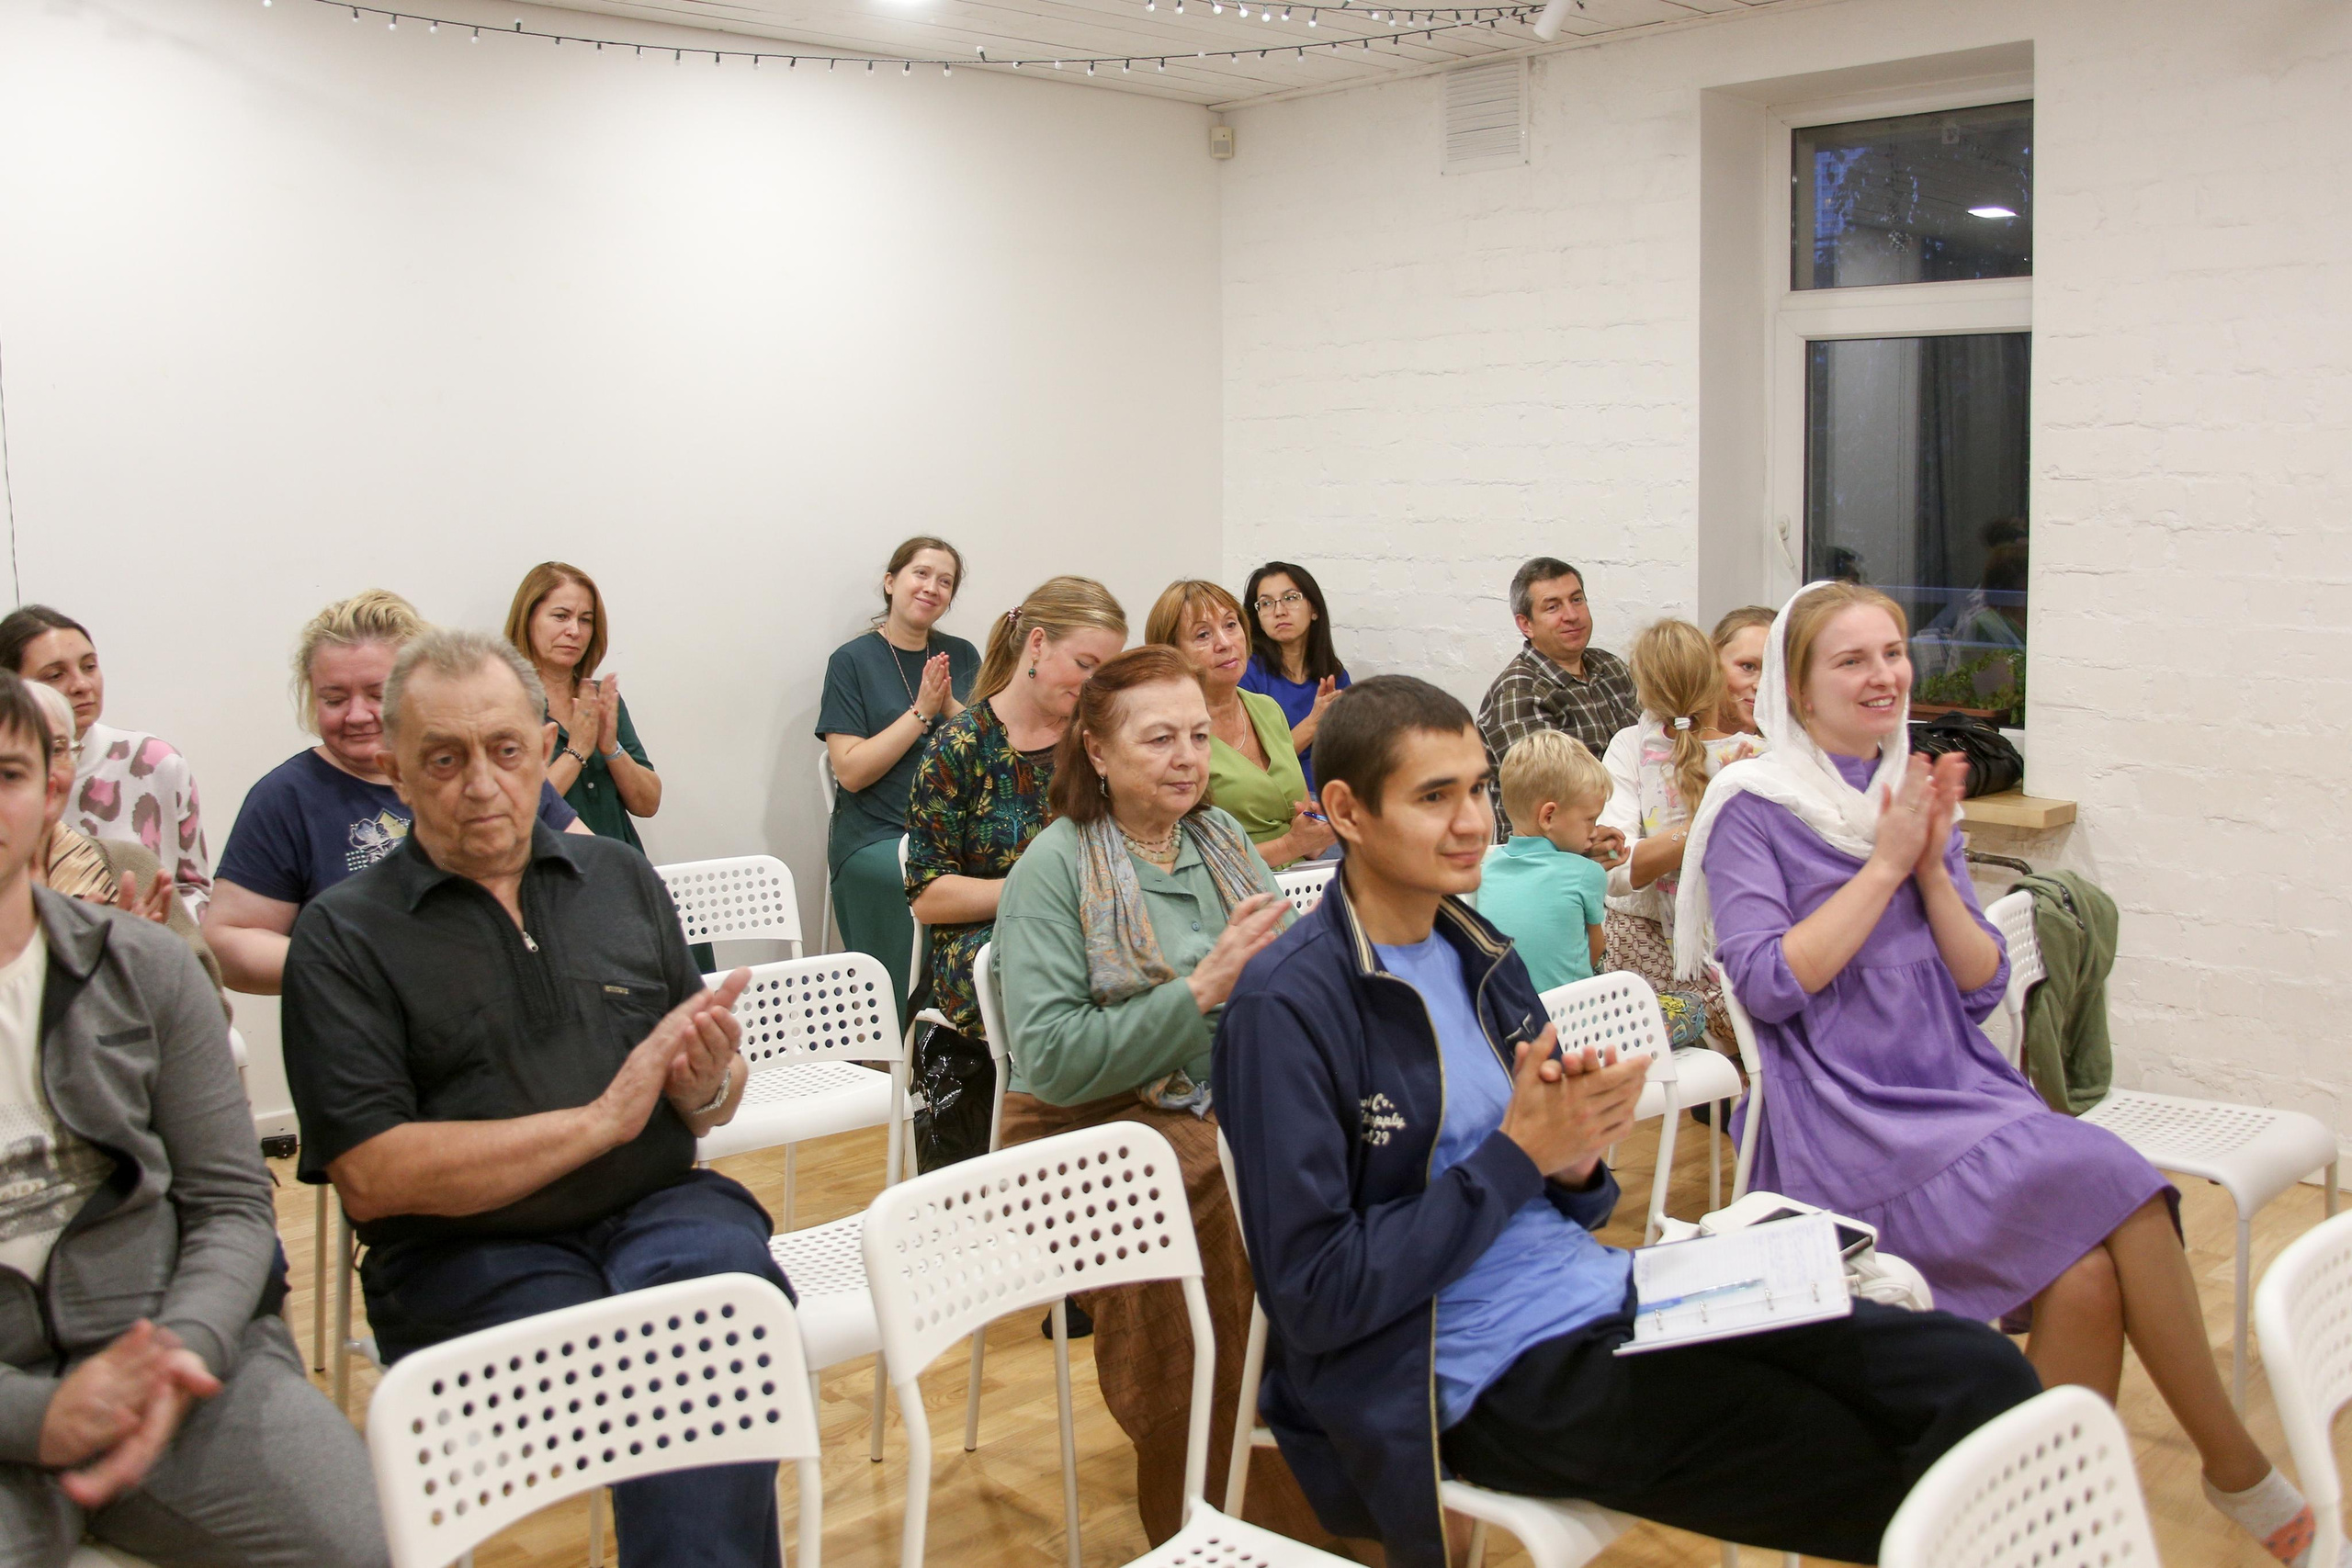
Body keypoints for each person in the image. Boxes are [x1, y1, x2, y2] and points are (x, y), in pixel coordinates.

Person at [1211, 674, 2041, 1568]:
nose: (1471, 822)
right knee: (1904, 1468)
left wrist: (1571, 1162)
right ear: (1345, 810)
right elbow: (1318, 1297)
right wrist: (1519, 1154)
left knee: (1981, 1373)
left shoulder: (1474, 949)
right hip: (1462, 1373)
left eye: (1476, 790)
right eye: (1432, 796)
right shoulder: (1287, 1006)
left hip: (1607, 1295)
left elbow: (1562, 1197)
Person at [1681, 582, 2337, 1567]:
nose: (1884, 676)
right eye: (1851, 660)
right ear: (1796, 688)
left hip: (1956, 1093)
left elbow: (1981, 987)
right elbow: (1768, 986)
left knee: (2081, 1282)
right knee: (2113, 1177)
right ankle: (2229, 1466)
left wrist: (1935, 872)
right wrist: (1882, 867)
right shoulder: (1752, 808)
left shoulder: (1906, 790)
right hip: (1846, 1123)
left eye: (1893, 652)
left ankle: (2042, 1529)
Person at [281, 629, 788, 1568]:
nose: (481, 784)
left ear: (543, 748)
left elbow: (706, 1097)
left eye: (506, 751)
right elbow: (373, 1176)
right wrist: (598, 1122)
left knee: (726, 1318)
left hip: (659, 1207)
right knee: (663, 1374)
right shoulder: (342, 936)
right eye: (445, 758)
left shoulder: (620, 878)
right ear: (395, 770)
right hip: (468, 1250)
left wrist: (708, 1080)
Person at [0, 671, 389, 1568]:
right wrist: (39, 1416)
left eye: (8, 774)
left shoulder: (146, 968)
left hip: (176, 1356)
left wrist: (182, 1351)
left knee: (364, 1546)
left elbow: (231, 1205)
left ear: (53, 790)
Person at [992, 646, 1321, 1548]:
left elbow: (1289, 975)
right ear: (1095, 751)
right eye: (1157, 739)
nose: (1186, 757)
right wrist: (1201, 992)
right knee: (1202, 1183)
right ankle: (1203, 1513)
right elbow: (1053, 1063)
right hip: (1079, 1125)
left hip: (1212, 1099)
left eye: (1196, 736)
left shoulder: (1218, 841)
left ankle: (1332, 1448)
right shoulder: (1053, 871)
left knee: (1356, 1151)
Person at [204, 590, 586, 995]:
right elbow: (227, 942)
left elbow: (591, 879)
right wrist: (363, 968)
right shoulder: (286, 797)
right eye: (334, 699)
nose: (356, 715)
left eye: (377, 695)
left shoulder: (490, 775)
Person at [903, 576, 1126, 1049]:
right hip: (987, 940)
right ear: (1038, 645)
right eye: (1085, 664)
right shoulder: (961, 747)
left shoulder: (1095, 743)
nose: (1094, 685)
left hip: (1089, 920)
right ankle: (1060, 1111)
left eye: (1105, 672)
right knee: (1069, 974)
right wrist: (1036, 891)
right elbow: (928, 897)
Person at [819, 537, 980, 1004]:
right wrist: (921, 714)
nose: (932, 587)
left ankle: (968, 1030)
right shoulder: (851, 662)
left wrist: (949, 704)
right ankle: (896, 1033)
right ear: (891, 583)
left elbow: (991, 749)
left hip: (953, 831)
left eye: (945, 581)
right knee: (922, 882)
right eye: (921, 574)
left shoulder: (962, 654)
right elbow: (849, 772)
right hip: (877, 834)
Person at [1596, 618, 1762, 1051]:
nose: (1759, 683)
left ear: (1642, 689)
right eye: (1748, 667)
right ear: (1716, 676)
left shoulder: (1758, 756)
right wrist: (1702, 823)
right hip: (1711, 957)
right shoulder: (1755, 758)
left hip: (1692, 967)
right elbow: (1615, 868)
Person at [0, 606, 213, 919]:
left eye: (89, 667)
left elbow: (195, 890)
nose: (82, 685)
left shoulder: (156, 762)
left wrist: (144, 937)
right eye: (56, 675)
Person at [24, 682, 226, 1011]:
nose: (47, 772)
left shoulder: (129, 865)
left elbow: (211, 1010)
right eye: (25, 752)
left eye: (60, 749)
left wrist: (143, 959)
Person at [1147, 581, 1334, 870]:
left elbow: (1299, 829)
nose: (1225, 643)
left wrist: (1314, 833)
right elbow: (1185, 861)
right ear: (1171, 652)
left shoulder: (1266, 708)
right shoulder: (1166, 733)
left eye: (1231, 625)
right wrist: (1290, 845)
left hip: (1298, 884)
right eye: (1203, 634)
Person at [1475, 558, 1640, 840]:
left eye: (1577, 600)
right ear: (1526, 624)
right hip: (1555, 861)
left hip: (1624, 836)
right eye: (1553, 607)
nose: (1571, 615)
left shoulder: (1610, 667)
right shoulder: (1518, 694)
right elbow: (1550, 805)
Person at [505, 561, 665, 851]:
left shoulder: (600, 697)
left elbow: (648, 803)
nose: (574, 631)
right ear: (527, 619)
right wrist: (577, 750)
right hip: (552, 880)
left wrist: (611, 749)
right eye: (560, 616)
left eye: (585, 619)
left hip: (622, 873)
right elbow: (519, 815)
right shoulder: (504, 704)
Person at [1477, 732, 1610, 993]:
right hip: (1574, 1020)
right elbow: (1596, 953)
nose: (1595, 832)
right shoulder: (1588, 873)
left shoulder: (1487, 870)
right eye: (1590, 819)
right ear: (1548, 816)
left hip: (1507, 1019)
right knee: (1687, 1008)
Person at [1238, 562, 1351, 796]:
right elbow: (1254, 765)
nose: (1279, 611)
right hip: (1277, 797)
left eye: (1290, 598)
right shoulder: (1247, 674)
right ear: (1256, 617)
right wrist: (1313, 723)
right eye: (1266, 603)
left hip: (1332, 793)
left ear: (1314, 609)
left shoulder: (1334, 674)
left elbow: (1348, 751)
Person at [1710, 605, 1774, 736]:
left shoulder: (1791, 752)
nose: (1760, 686)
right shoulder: (1670, 743)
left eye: (1774, 673)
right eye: (1748, 666)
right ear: (1712, 660)